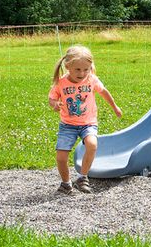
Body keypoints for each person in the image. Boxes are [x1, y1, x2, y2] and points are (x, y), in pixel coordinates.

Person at [48, 44, 121, 194]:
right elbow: (52, 98)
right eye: (77, 69)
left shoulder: (91, 80)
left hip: (88, 123)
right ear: (68, 66)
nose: (82, 73)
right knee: (61, 157)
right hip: (67, 125)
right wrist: (55, 104)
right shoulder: (61, 83)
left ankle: (83, 177)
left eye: (86, 69)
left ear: (90, 67)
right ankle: (66, 184)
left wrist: (115, 107)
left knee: (92, 144)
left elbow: (104, 92)